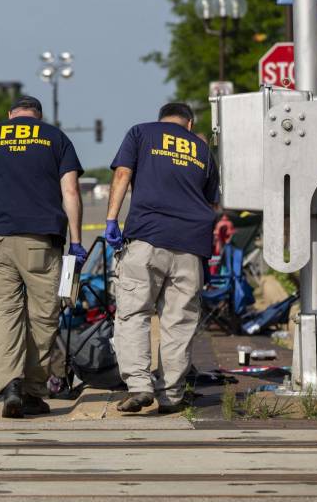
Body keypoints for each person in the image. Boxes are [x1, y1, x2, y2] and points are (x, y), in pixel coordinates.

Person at [0, 95, 86, 418]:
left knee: (3, 315)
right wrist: (76, 242)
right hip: (41, 241)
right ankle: (34, 390)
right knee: (43, 317)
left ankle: (11, 386)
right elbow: (71, 191)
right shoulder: (55, 137)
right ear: (38, 116)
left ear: (10, 116)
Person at [105, 102, 219, 414]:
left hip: (147, 238)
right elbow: (213, 204)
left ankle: (140, 386)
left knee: (133, 312)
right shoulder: (202, 150)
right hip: (191, 247)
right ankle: (171, 394)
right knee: (178, 322)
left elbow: (123, 174)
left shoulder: (140, 132)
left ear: (162, 119)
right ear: (190, 124)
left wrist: (112, 219)